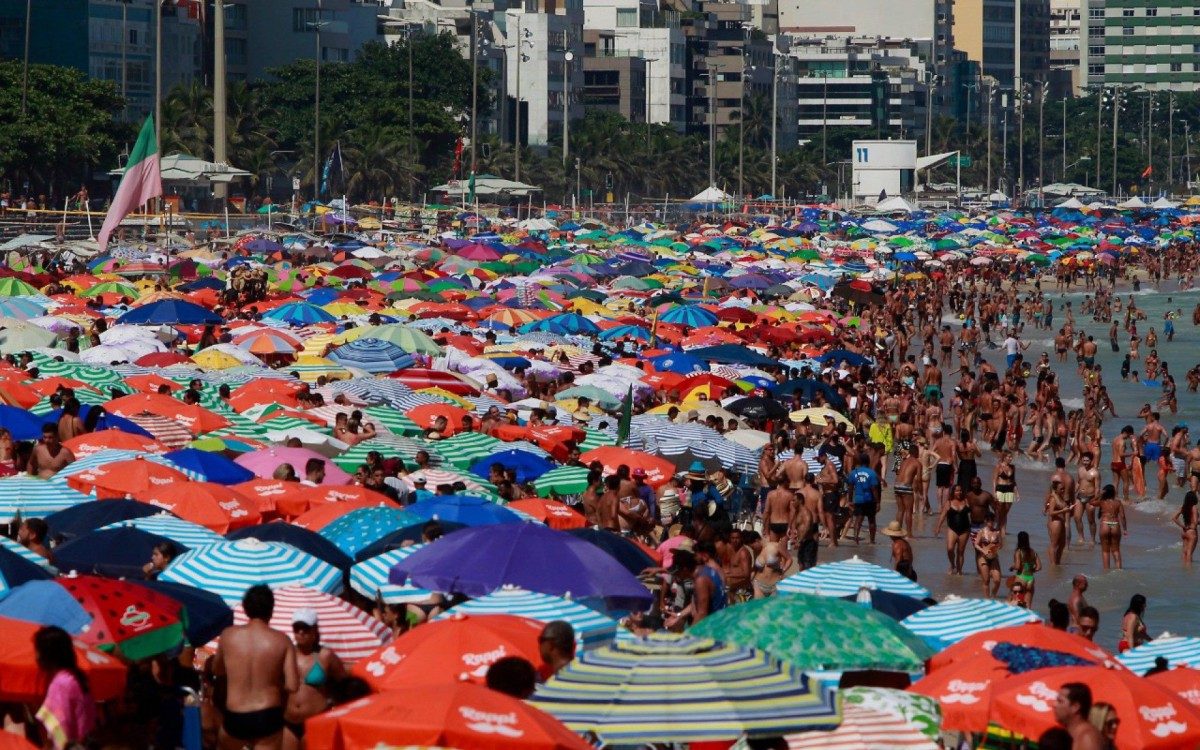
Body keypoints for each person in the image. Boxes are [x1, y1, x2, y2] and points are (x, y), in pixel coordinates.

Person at [212, 585, 299, 749]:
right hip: (268, 713)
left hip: (236, 712)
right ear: (271, 610)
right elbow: (292, 685)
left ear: (245, 608)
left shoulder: (228, 635)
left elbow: (217, 670)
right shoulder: (282, 640)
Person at [283, 608, 346, 747]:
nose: (300, 632)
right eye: (297, 628)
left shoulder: (325, 656)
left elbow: (345, 685)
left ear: (315, 630)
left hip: (316, 720)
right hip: (288, 723)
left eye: (305, 628)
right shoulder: (286, 653)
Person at [34, 625, 97, 750]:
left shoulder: (60, 684)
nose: (36, 657)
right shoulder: (74, 677)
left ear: (48, 654)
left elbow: (61, 731)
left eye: (37, 651)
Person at [1054, 682, 1104, 750]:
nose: (1054, 705)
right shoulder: (1071, 735)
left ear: (1075, 707)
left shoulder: (1087, 738)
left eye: (1060, 701)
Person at [934, 484, 971, 575]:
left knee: (960, 551)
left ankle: (959, 571)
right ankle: (952, 564)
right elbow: (943, 515)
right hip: (952, 529)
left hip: (965, 530)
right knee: (950, 549)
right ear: (953, 492)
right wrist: (938, 527)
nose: (959, 492)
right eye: (957, 491)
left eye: (960, 490)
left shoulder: (966, 501)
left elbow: (971, 514)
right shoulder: (949, 502)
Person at [847, 453, 880, 544]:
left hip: (858, 499)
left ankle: (856, 539)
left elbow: (850, 488)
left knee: (858, 519)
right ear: (868, 462)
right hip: (869, 499)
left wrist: (850, 500)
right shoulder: (872, 473)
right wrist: (877, 502)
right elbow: (874, 489)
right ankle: (872, 541)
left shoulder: (853, 473)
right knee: (871, 520)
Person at [1092, 483, 1126, 570]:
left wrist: (1099, 494)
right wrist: (1125, 529)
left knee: (1105, 551)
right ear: (1114, 493)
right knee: (1116, 550)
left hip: (1105, 523)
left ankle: (1106, 571)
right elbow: (1122, 516)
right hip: (1114, 524)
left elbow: (1091, 502)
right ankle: (1119, 570)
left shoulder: (1102, 502)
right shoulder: (1118, 503)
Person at [1009, 530, 1042, 606]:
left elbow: (1017, 566)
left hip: (1021, 578)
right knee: (1028, 605)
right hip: (1030, 579)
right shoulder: (1033, 552)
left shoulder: (1018, 552)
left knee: (1015, 603)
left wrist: (1011, 567)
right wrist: (1032, 570)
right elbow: (1039, 567)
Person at [1175, 490, 1199, 564]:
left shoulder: (1184, 507)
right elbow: (1195, 521)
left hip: (1185, 532)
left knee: (1184, 553)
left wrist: (1182, 526)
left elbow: (1174, 518)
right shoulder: (1194, 507)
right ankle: (1188, 570)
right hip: (1192, 532)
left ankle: (1183, 570)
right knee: (1189, 553)